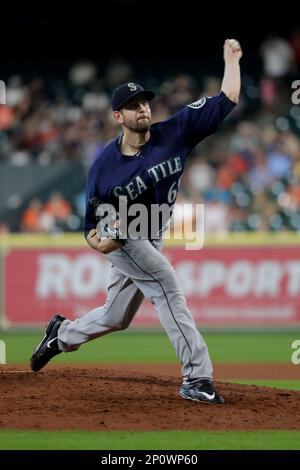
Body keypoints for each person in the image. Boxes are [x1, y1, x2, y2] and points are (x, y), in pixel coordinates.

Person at [30, 39, 242, 404]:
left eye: (144, 102)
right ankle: (196, 377)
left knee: (116, 316)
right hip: (126, 236)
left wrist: (231, 59)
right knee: (167, 286)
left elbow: (227, 99)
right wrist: (105, 243)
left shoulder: (174, 132)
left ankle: (60, 334)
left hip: (154, 233)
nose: (142, 108)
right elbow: (91, 231)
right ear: (118, 117)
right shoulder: (103, 168)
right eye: (132, 106)